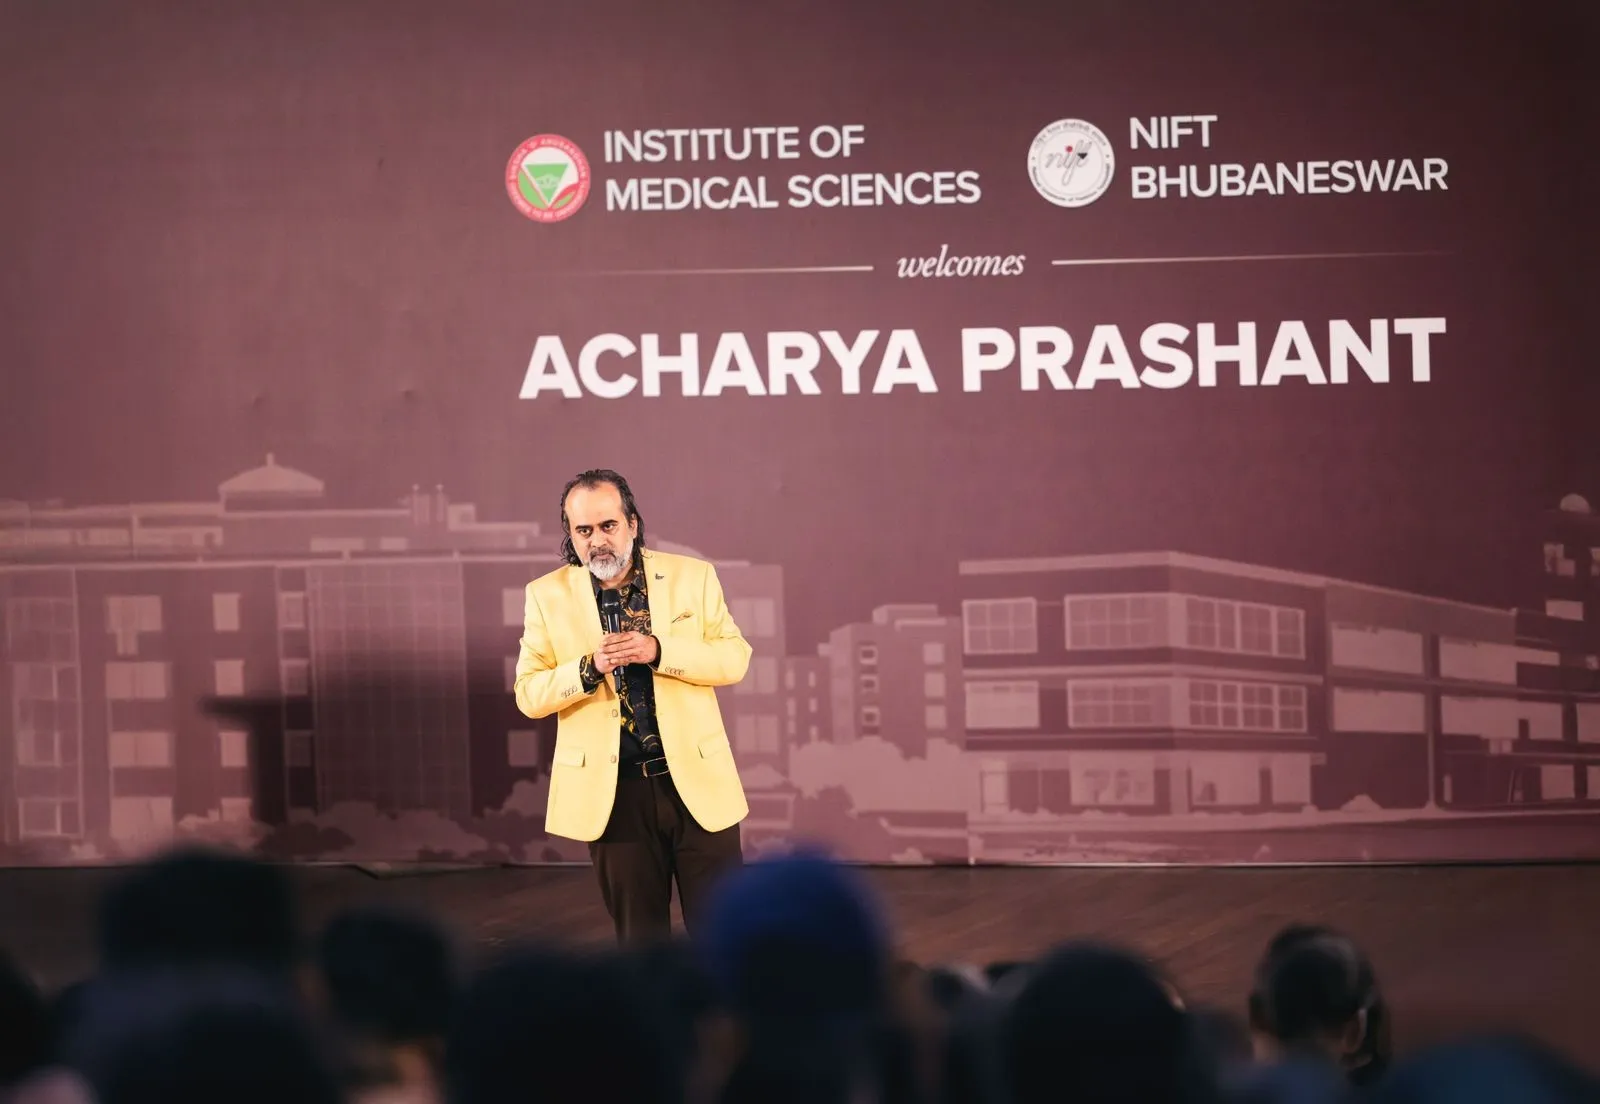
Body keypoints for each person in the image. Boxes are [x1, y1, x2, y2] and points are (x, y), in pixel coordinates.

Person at [512, 468, 751, 943]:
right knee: (641, 944)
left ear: (633, 524)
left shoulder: (692, 577)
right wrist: (588, 667)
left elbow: (734, 658)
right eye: (583, 530)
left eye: (608, 525)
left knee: (725, 937)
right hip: (613, 794)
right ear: (570, 536)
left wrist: (659, 650)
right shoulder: (545, 595)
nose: (598, 540)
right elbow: (529, 694)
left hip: (697, 782)